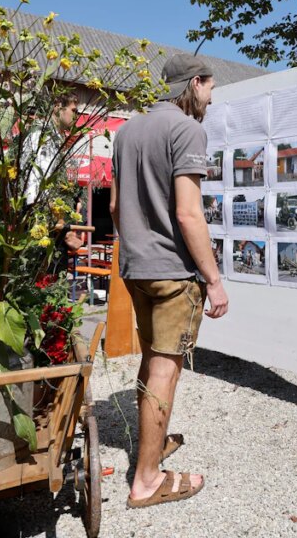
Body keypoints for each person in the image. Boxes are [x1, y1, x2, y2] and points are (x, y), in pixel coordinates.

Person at [110, 54, 229, 509]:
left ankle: (151, 449)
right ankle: (146, 479)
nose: (211, 98)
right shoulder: (187, 129)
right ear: (194, 83)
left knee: (151, 361)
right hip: (172, 272)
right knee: (166, 370)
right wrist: (214, 279)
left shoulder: (126, 131)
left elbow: (117, 207)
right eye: (210, 88)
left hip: (136, 268)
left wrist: (138, 247)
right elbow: (188, 211)